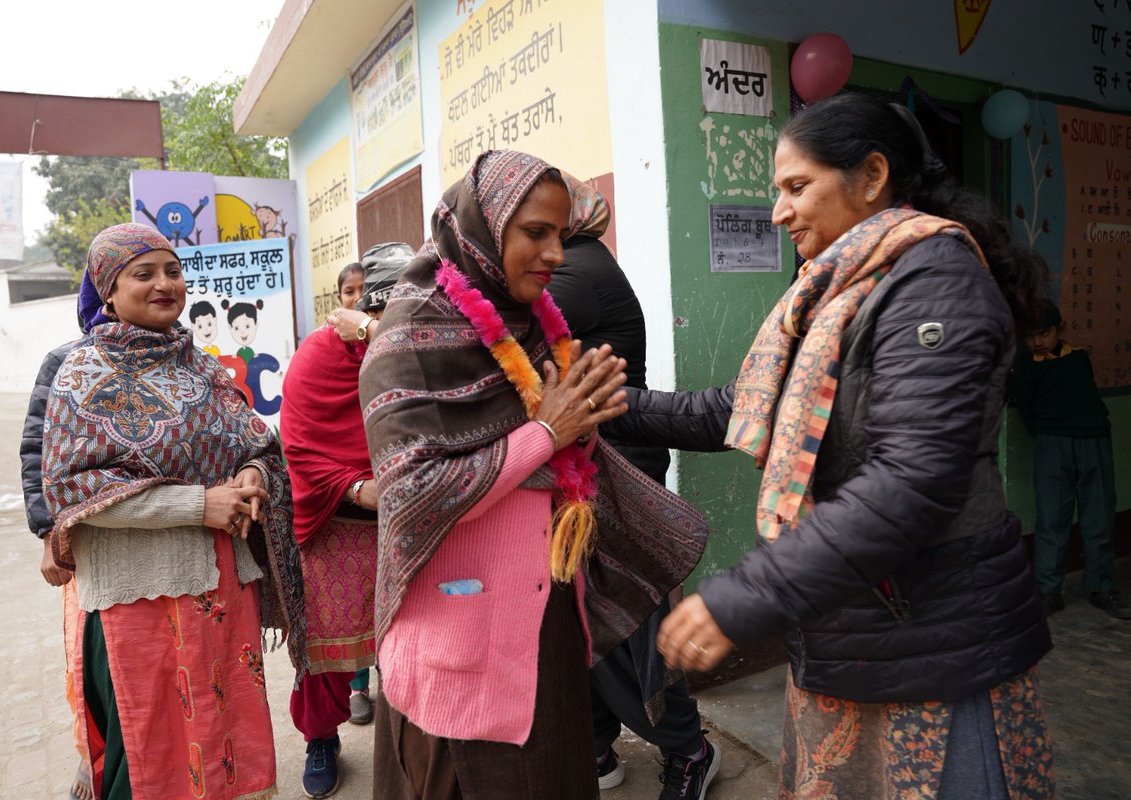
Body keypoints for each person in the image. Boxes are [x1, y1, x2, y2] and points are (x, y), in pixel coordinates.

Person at [652, 93, 1055, 798]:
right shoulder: (835, 290)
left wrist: (744, 598)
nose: (779, 212)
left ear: (871, 177)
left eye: (796, 187)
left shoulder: (933, 284)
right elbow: (743, 409)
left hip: (932, 645)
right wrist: (609, 410)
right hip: (858, 629)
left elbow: (910, 482)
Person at [357, 150, 708, 800]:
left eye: (561, 233)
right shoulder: (411, 338)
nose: (555, 252)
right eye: (535, 233)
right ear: (481, 228)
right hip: (459, 645)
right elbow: (413, 494)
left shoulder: (532, 324)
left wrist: (581, 419)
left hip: (547, 619)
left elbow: (566, 438)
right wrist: (548, 432)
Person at [41, 222, 309, 800]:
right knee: (149, 749)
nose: (165, 284)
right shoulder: (82, 373)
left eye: (173, 271)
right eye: (145, 274)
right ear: (108, 289)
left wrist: (253, 475)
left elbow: (258, 441)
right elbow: (72, 487)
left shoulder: (202, 367)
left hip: (220, 587)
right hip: (140, 595)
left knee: (225, 736)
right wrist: (198, 504)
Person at [548, 176, 719, 800]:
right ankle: (598, 744)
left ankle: (690, 749)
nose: (536, 244)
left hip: (619, 471)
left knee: (629, 626)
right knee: (582, 616)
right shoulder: (575, 261)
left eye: (542, 226)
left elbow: (499, 335)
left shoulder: (579, 267)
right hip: (585, 472)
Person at [280, 241, 414, 797]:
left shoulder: (419, 353)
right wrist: (359, 489)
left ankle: (414, 741)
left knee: (411, 643)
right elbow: (300, 445)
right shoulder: (319, 354)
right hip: (340, 525)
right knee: (328, 648)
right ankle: (320, 738)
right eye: (388, 316)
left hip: (412, 520)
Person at [1014, 299, 1130, 619]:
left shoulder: (1078, 358)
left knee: (1099, 517)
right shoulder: (1025, 366)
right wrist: (1048, 432)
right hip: (1052, 443)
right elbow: (1025, 407)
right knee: (1052, 519)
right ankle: (1049, 592)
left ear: (1060, 330)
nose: (1037, 341)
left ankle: (1101, 587)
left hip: (1094, 439)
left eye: (1044, 333)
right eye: (1030, 336)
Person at [21, 335, 87, 800]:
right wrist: (49, 533)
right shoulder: (66, 360)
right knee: (87, 658)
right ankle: (91, 752)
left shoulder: (182, 356)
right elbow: (36, 450)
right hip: (87, 543)